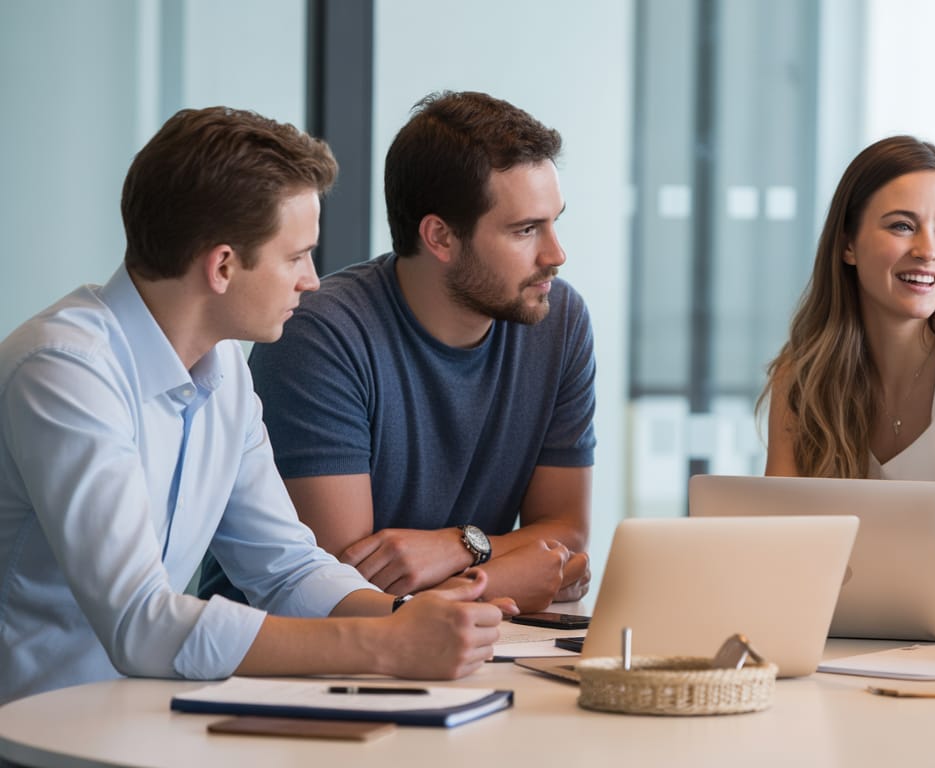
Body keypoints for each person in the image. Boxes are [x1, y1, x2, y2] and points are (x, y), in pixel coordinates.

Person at [0, 107, 513, 706]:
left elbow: (286, 568)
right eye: (296, 256)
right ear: (222, 266)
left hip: (134, 722)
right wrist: (386, 644)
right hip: (28, 730)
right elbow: (140, 623)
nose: (312, 280)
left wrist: (410, 616)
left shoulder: (223, 369)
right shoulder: (64, 370)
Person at [198, 91, 594, 613]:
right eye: (526, 230)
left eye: (554, 222)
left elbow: (567, 535)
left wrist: (462, 546)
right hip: (294, 652)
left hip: (467, 638)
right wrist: (504, 575)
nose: (556, 254)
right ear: (440, 237)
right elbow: (345, 583)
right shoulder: (321, 335)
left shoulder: (557, 319)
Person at [761, 136, 935, 593]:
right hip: (848, 631)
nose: (927, 250)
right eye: (902, 226)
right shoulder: (801, 376)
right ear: (848, 245)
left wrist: (838, 584)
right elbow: (779, 549)